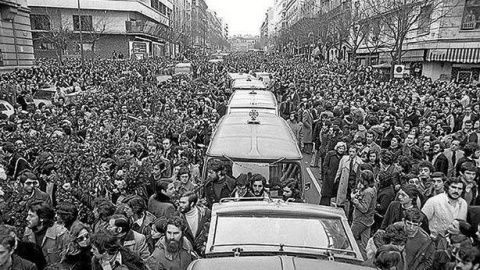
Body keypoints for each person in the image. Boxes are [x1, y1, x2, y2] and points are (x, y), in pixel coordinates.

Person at [23, 201, 68, 265]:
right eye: (28, 215)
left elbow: (67, 261)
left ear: (42, 218)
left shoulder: (60, 233)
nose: (27, 218)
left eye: (31, 216)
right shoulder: (28, 231)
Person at [350, 170, 377, 260]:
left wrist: (355, 201)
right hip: (368, 220)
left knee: (349, 239)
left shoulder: (368, 192)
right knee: (365, 245)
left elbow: (364, 208)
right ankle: (365, 261)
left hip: (360, 220)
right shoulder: (373, 189)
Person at [177, 191, 210, 256]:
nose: (180, 205)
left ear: (192, 204)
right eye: (180, 202)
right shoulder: (178, 216)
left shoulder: (205, 213)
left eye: (184, 203)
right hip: (187, 253)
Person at [320, 141, 346, 205]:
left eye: (342, 148)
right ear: (337, 148)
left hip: (338, 179)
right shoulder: (330, 154)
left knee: (335, 195)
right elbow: (325, 165)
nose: (341, 150)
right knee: (326, 196)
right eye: (340, 148)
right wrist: (327, 172)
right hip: (328, 178)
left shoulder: (345, 157)